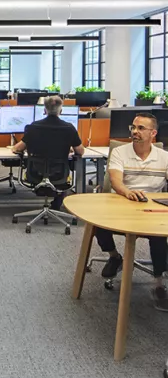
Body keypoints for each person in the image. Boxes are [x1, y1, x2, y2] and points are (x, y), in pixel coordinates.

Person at [95, 113, 168, 311]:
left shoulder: (164, 157)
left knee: (159, 236)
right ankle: (114, 256)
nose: (135, 132)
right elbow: (116, 180)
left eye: (141, 128)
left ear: (153, 133)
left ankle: (159, 284)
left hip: (150, 207)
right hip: (122, 202)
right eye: (133, 127)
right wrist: (128, 192)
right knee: (97, 223)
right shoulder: (120, 152)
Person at [11, 95, 84, 211]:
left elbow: (17, 149)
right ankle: (57, 203)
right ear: (61, 110)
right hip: (60, 175)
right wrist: (68, 147)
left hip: (35, 173)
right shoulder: (69, 128)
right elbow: (80, 151)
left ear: (44, 110)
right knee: (63, 171)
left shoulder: (33, 127)